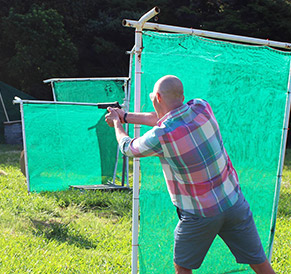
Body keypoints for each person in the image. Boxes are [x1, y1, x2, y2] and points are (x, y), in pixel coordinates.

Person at [104, 75, 275, 274]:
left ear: (158, 98)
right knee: (260, 263)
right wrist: (125, 116)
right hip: (233, 201)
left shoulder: (161, 135)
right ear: (182, 95)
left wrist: (117, 123)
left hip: (199, 213)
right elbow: (165, 118)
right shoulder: (202, 107)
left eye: (152, 97)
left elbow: (128, 148)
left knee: (182, 267)